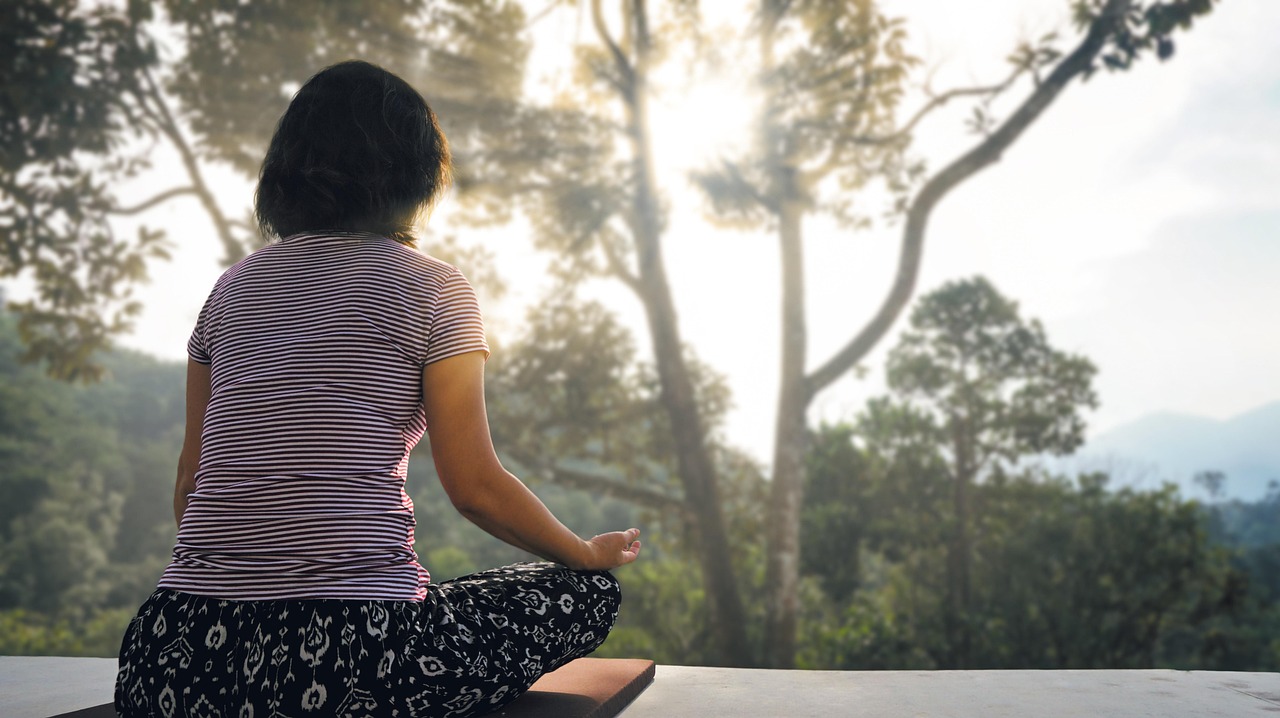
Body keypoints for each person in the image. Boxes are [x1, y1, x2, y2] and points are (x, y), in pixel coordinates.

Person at [114, 60, 641, 718]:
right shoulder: (435, 289)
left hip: (173, 659)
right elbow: (475, 488)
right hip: (357, 660)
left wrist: (240, 591)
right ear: (416, 172)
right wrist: (585, 552)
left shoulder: (230, 289)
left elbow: (192, 482)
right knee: (586, 595)